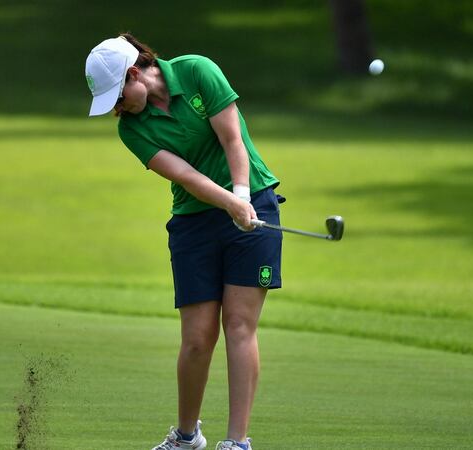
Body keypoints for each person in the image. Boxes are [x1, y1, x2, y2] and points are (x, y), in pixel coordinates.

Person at [84, 34, 282, 450]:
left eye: (117, 98)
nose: (117, 110)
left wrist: (242, 198)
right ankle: (187, 436)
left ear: (135, 73)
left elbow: (233, 140)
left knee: (239, 326)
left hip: (253, 201)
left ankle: (236, 441)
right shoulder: (131, 129)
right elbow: (186, 177)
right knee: (197, 337)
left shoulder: (196, 71)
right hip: (194, 220)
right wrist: (229, 202)